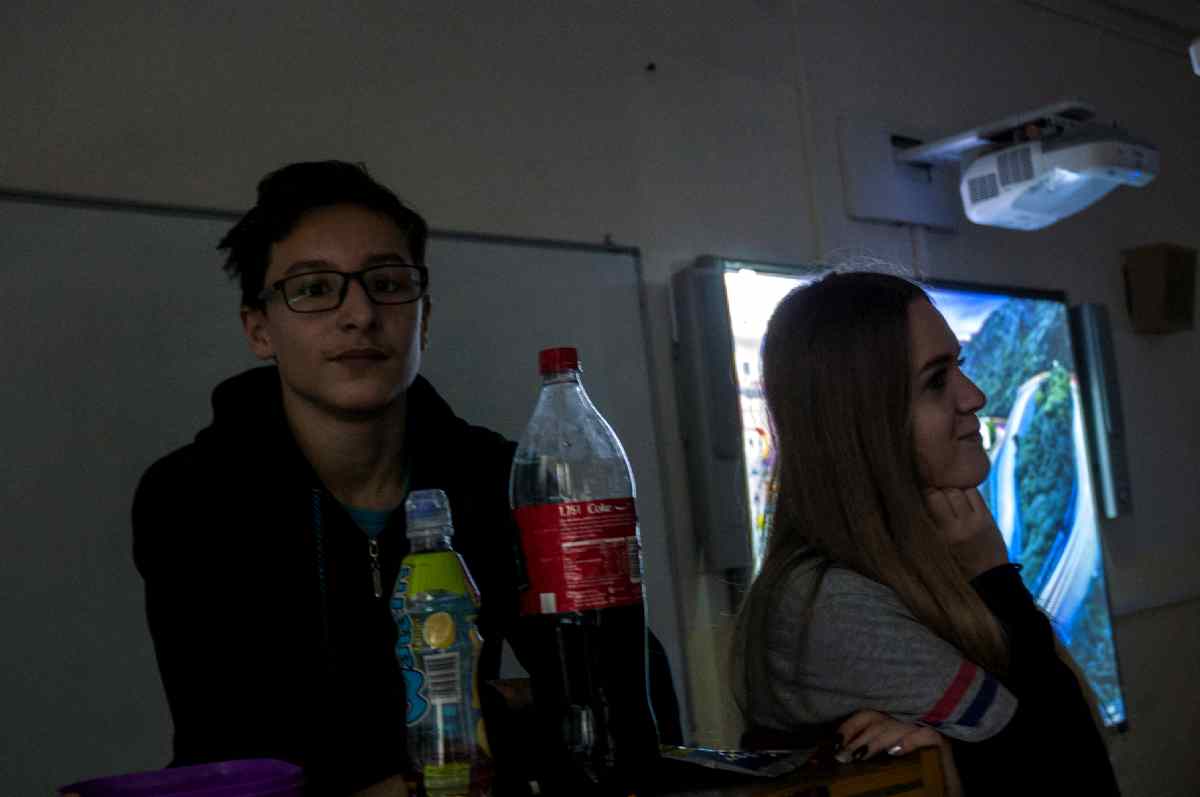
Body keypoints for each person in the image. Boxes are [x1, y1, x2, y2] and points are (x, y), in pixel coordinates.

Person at [132, 161, 679, 796]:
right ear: (260, 330)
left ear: (423, 318)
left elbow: (629, 694)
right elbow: (231, 748)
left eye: (388, 284)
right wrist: (503, 709)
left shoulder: (500, 479)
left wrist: (479, 726)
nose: (360, 313)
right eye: (314, 288)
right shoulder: (192, 496)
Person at [732, 272, 1119, 796]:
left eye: (961, 366)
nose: (975, 396)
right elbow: (1080, 775)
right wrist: (996, 578)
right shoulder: (832, 601)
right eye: (936, 381)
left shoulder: (916, 561)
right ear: (863, 421)